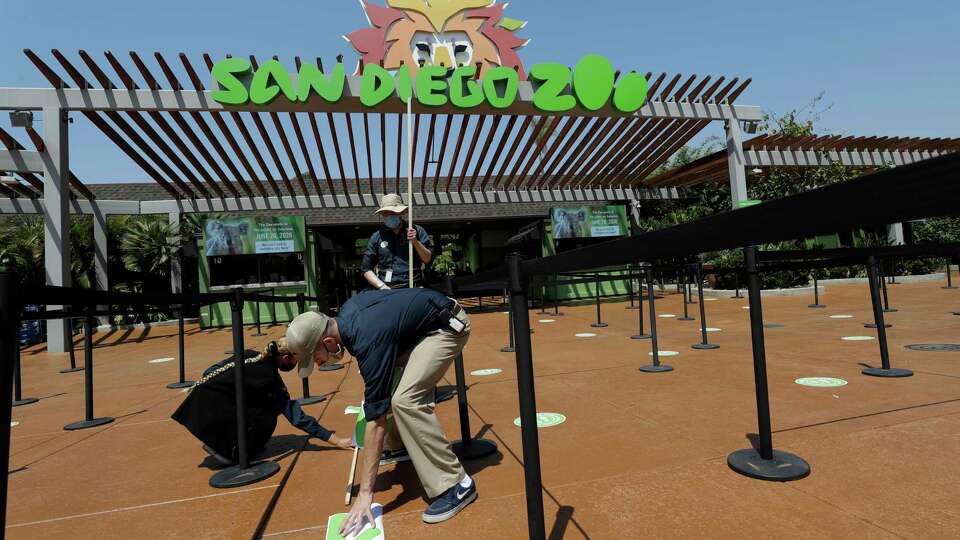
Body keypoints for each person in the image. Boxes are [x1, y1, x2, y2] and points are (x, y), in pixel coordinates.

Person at [284, 288, 474, 533]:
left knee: (405, 400)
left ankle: (458, 484)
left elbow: (376, 420)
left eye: (316, 358)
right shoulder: (346, 316)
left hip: (447, 328)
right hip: (422, 330)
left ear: (328, 342)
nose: (319, 365)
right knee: (382, 384)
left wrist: (365, 493)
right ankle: (399, 445)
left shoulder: (367, 339)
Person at [171, 341, 352, 466]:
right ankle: (230, 451)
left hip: (201, 408)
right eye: (296, 361)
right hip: (214, 418)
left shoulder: (250, 355)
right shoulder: (271, 381)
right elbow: (297, 417)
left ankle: (225, 439)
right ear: (286, 357)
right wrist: (336, 441)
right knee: (270, 414)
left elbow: (210, 371)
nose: (295, 365)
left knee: (258, 402)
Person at [362, 193, 433, 290]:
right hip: (387, 289)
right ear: (382, 214)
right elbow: (366, 269)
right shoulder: (376, 237)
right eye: (386, 212)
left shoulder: (417, 230)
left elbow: (428, 259)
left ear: (401, 212)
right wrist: (382, 286)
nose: (390, 215)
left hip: (414, 286)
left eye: (393, 212)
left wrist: (415, 241)